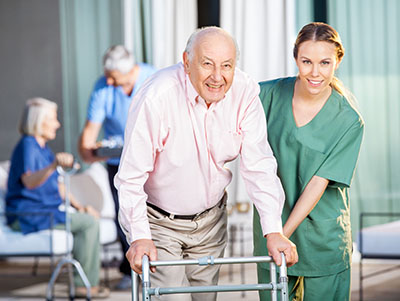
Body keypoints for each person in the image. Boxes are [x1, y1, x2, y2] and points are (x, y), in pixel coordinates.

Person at [115, 26, 298, 301]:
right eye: (207, 64)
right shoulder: (157, 96)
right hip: (160, 224)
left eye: (226, 66)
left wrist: (274, 230)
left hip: (211, 222)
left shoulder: (245, 91)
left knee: (206, 298)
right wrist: (140, 236)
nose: (217, 76)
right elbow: (130, 176)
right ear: (187, 62)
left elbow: (259, 166)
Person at [253, 22, 365, 300]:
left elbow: (318, 183)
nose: (315, 72)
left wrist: (280, 234)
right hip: (271, 232)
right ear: (295, 59)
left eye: (325, 62)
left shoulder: (349, 120)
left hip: (322, 239)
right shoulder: (265, 95)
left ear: (338, 61)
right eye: (306, 61)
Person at [5, 97, 108, 298]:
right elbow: (29, 182)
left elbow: (59, 186)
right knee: (88, 224)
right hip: (29, 216)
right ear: (38, 120)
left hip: (46, 213)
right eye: (53, 119)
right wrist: (53, 166)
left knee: (88, 218)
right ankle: (83, 286)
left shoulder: (42, 149)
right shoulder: (27, 146)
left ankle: (83, 282)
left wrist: (80, 207)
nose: (58, 124)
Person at [78, 44, 156, 290]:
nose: (109, 81)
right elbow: (87, 141)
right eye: (107, 76)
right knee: (127, 216)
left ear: (132, 69)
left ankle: (159, 267)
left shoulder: (152, 79)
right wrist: (94, 150)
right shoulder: (103, 86)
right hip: (119, 163)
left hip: (153, 161)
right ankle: (130, 270)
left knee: (156, 213)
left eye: (114, 77)